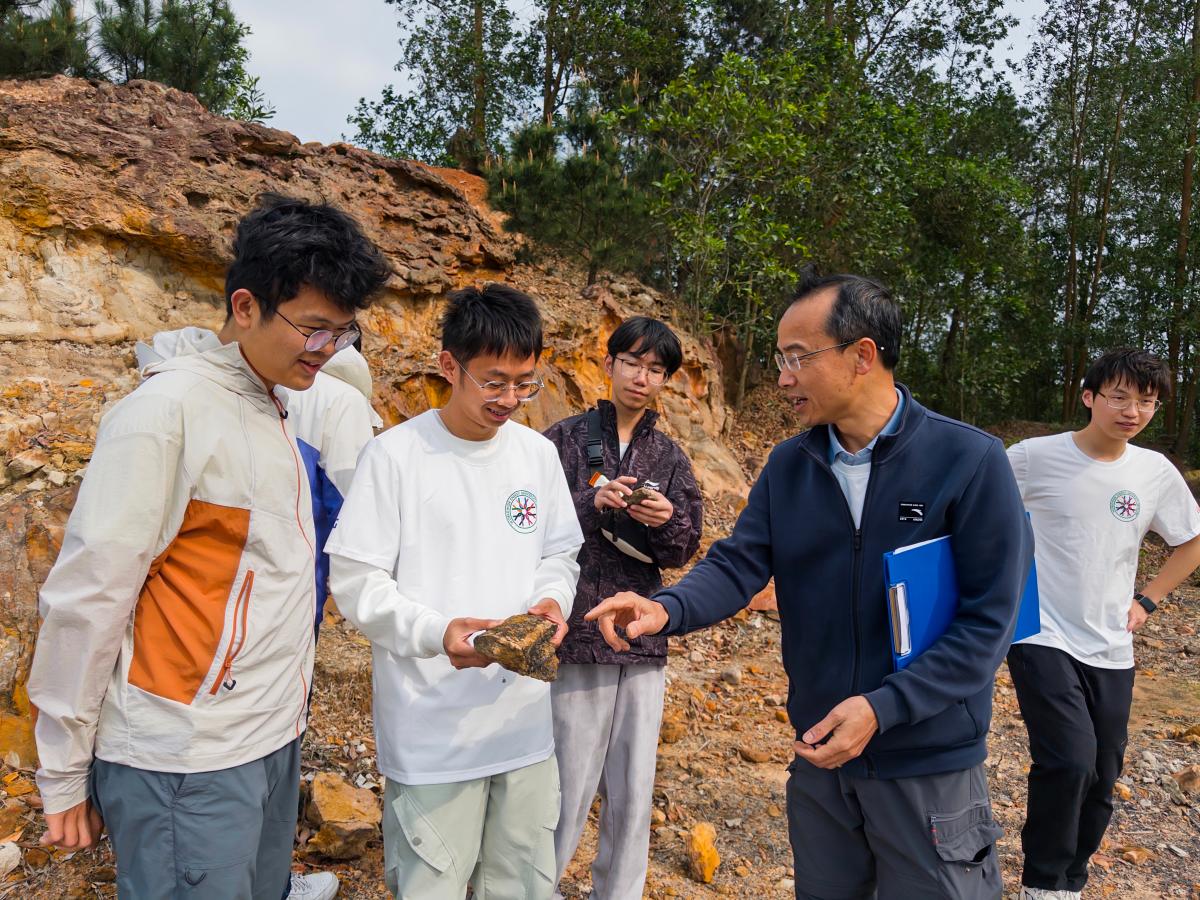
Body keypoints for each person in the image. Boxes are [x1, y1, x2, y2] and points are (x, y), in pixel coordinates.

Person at [587, 270, 1033, 900]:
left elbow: (991, 622)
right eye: (780, 359)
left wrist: (883, 708)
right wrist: (664, 610)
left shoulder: (969, 461)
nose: (783, 378)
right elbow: (740, 563)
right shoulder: (791, 466)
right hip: (821, 757)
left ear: (862, 356)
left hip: (926, 762)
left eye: (798, 357)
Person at [28, 193, 391, 900]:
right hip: (185, 757)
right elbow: (89, 593)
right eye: (313, 328)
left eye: (342, 333)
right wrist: (63, 768)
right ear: (246, 306)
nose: (327, 351)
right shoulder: (164, 413)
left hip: (268, 736)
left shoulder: (274, 404)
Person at [325, 284, 584, 899]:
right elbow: (357, 582)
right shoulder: (394, 457)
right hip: (432, 731)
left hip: (523, 726)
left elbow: (559, 553)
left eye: (524, 384)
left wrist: (553, 601)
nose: (510, 400)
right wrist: (436, 633)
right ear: (449, 365)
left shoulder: (537, 455)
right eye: (494, 382)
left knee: (522, 884)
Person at [1006, 349, 1200, 900]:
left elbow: (1191, 541)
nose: (1131, 411)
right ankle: (1042, 883)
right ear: (1089, 397)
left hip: (1112, 642)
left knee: (1102, 771)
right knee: (1068, 760)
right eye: (1118, 397)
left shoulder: (1153, 471)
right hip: (1039, 630)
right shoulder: (1032, 457)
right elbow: (972, 513)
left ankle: (1071, 880)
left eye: (1146, 401)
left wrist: (1149, 601)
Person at [543, 316, 703, 900]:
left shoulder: (670, 457)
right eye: (632, 363)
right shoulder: (563, 439)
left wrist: (667, 520)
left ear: (666, 380)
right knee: (565, 780)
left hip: (641, 631)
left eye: (655, 369)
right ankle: (538, 885)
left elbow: (684, 548)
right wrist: (593, 501)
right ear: (608, 364)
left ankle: (618, 893)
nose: (641, 377)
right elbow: (527, 520)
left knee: (634, 787)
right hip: (576, 631)